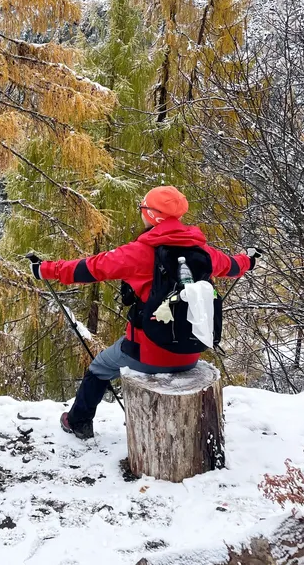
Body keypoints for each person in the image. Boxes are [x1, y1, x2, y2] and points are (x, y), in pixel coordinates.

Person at [29, 186, 260, 440]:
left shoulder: (139, 253)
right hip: (191, 353)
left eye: (143, 209)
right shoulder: (203, 252)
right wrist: (249, 259)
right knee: (111, 362)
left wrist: (46, 269)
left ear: (153, 216)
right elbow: (233, 265)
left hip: (148, 353)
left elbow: (91, 268)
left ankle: (78, 422)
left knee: (100, 367)